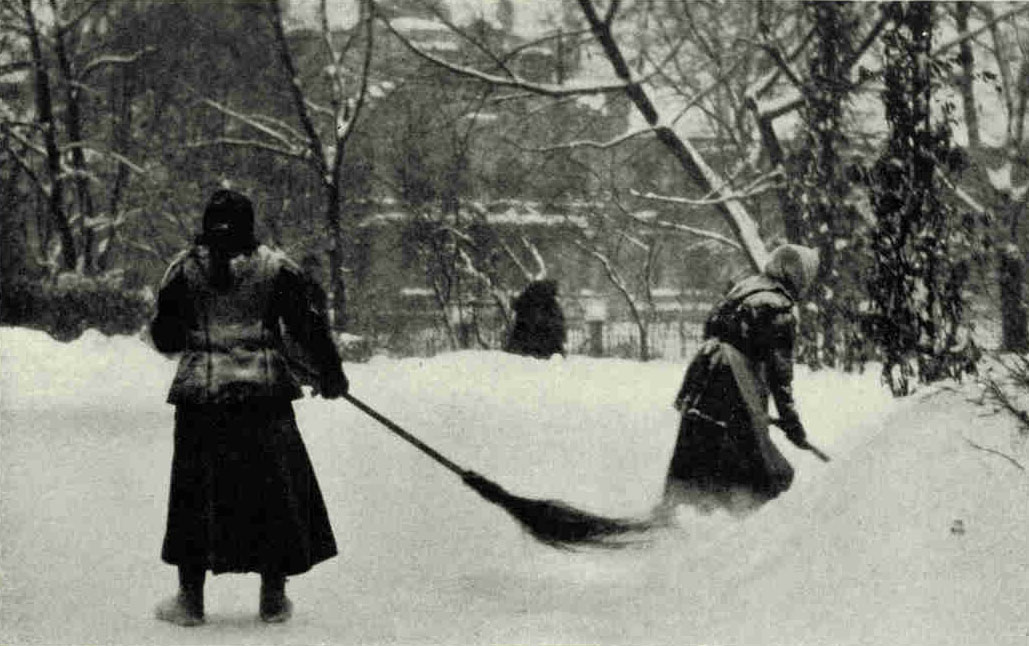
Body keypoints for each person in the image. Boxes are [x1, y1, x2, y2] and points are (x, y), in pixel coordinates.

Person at [149, 189, 349, 626]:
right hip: (265, 396)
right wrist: (330, 374)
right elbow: (308, 327)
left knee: (196, 496)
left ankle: (189, 600)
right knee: (272, 493)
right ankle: (273, 597)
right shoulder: (277, 269)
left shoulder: (182, 271)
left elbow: (165, 338)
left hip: (201, 398)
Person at [663, 244, 820, 515]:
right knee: (755, 463)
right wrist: (792, 423)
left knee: (698, 449)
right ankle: (757, 527)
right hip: (732, 386)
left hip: (706, 376)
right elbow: (779, 375)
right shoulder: (778, 307)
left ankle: (683, 513)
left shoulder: (745, 288)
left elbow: (712, 328)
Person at [504, 279, 567, 359]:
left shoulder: (529, 299)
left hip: (525, 342)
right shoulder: (549, 304)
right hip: (542, 344)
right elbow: (557, 325)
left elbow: (516, 306)